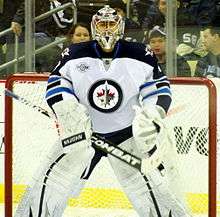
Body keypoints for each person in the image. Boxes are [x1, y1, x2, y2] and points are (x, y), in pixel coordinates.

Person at [14, 5, 191, 217]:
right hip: (82, 134)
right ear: (94, 27)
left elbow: (158, 87)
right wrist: (68, 108)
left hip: (127, 135)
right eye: (102, 24)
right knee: (51, 180)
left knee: (151, 188)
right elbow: (57, 83)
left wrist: (153, 114)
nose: (107, 29)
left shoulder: (140, 53)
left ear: (121, 27)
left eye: (111, 24)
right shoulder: (73, 53)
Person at [6, 0, 75, 73]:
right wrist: (17, 20)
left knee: (38, 41)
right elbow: (28, 4)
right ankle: (17, 75)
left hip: (56, 39)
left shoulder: (68, 3)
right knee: (18, 38)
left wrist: (54, 3)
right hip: (41, 35)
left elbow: (64, 23)